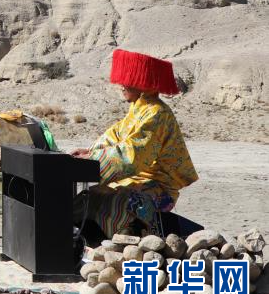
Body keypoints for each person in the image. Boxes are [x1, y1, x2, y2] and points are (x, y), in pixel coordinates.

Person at [70, 49, 198, 244]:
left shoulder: (157, 114)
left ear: (142, 84)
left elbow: (134, 154)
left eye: (127, 81)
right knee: (91, 196)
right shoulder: (138, 109)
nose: (121, 86)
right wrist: (90, 152)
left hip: (158, 185)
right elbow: (115, 136)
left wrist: (93, 160)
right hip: (137, 179)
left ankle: (134, 244)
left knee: (121, 202)